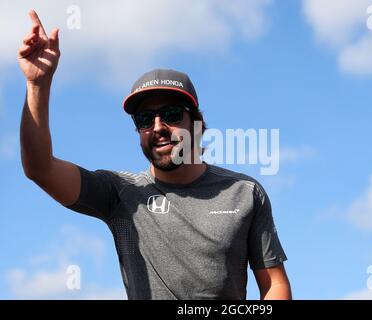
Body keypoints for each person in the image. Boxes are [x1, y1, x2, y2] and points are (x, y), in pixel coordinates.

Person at [18, 10, 292, 300]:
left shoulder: (244, 193)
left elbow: (274, 284)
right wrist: (37, 85)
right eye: (145, 119)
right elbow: (40, 168)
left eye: (171, 115)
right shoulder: (120, 194)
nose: (158, 127)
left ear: (196, 123)